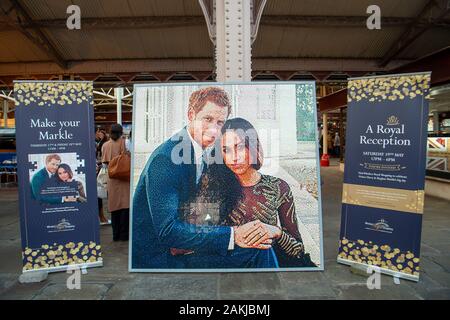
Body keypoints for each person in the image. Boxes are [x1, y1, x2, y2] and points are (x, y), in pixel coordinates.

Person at [132, 87, 279, 269]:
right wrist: (233, 235)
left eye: (220, 122)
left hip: (185, 245)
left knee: (260, 246)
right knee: (257, 250)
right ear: (191, 114)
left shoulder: (203, 152)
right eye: (207, 119)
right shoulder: (166, 159)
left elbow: (199, 206)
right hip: (161, 257)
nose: (214, 130)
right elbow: (167, 231)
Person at [182, 118, 316, 267]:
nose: (234, 157)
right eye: (226, 150)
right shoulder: (213, 184)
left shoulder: (278, 187)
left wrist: (276, 232)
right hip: (225, 266)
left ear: (252, 146)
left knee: (265, 252)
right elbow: (200, 234)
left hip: (265, 265)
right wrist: (233, 233)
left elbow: (298, 249)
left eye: (239, 147)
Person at [102, 124, 130, 241]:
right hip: (124, 177)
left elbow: (104, 163)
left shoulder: (105, 145)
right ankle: (124, 235)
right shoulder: (126, 143)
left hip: (112, 178)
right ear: (121, 132)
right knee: (125, 206)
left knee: (114, 207)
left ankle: (115, 235)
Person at [95, 128, 110, 225]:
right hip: (96, 171)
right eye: (98, 132)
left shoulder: (100, 143)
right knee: (98, 196)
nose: (99, 133)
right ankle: (101, 218)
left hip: (98, 169)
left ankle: (101, 217)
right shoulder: (97, 143)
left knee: (98, 196)